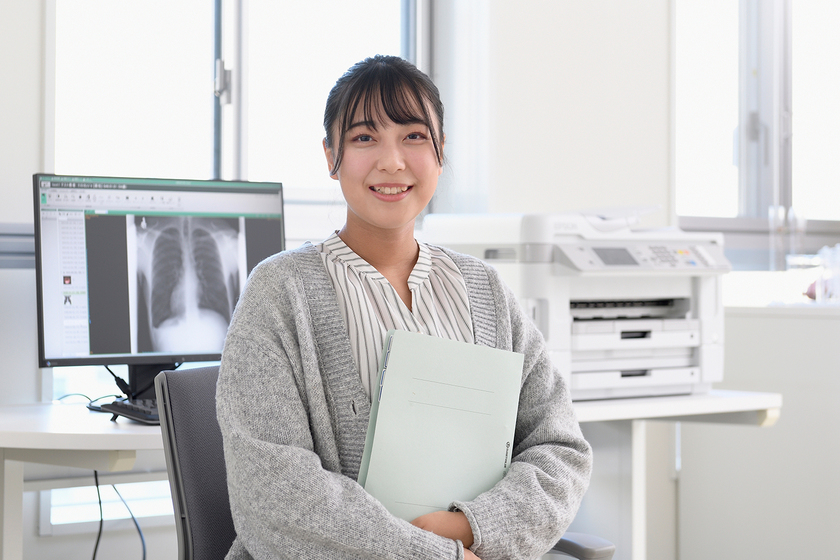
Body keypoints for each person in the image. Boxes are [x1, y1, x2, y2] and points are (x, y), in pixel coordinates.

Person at [216, 54, 592, 560]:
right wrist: (441, 555)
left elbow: (560, 450)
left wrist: (468, 528)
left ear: (440, 153)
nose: (391, 161)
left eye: (414, 136)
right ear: (331, 155)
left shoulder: (486, 290)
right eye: (364, 138)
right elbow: (274, 496)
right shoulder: (281, 293)